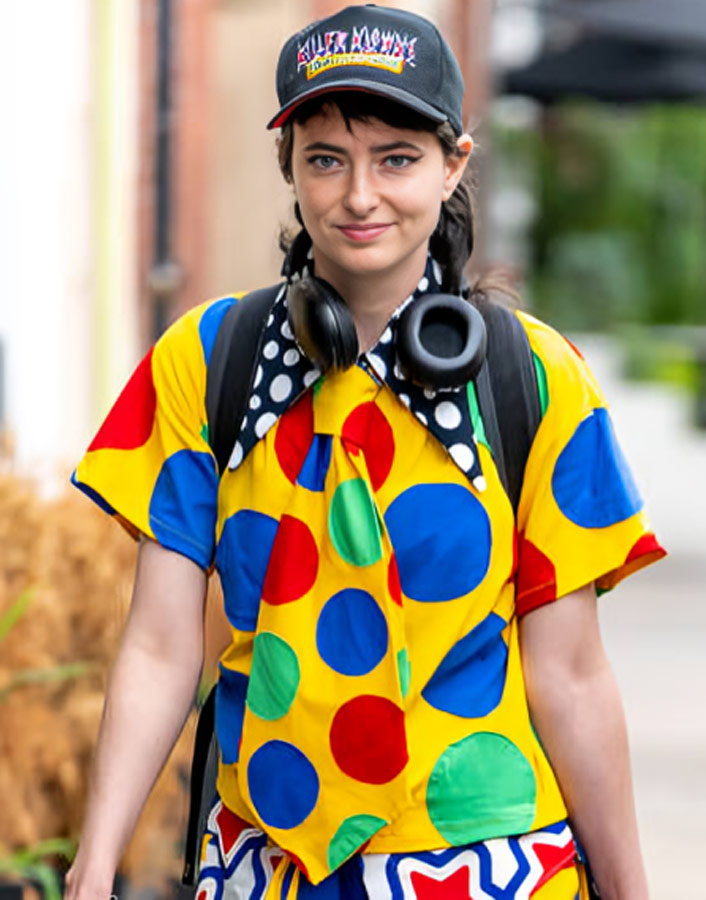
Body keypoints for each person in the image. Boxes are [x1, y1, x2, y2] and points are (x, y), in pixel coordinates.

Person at [65, 5, 665, 900]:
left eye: (396, 158)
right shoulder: (206, 361)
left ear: (454, 162)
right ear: (290, 168)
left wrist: (629, 891)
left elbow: (569, 672)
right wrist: (94, 863)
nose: (357, 196)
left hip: (486, 862)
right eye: (325, 159)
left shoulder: (533, 378)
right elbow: (159, 644)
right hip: (265, 860)